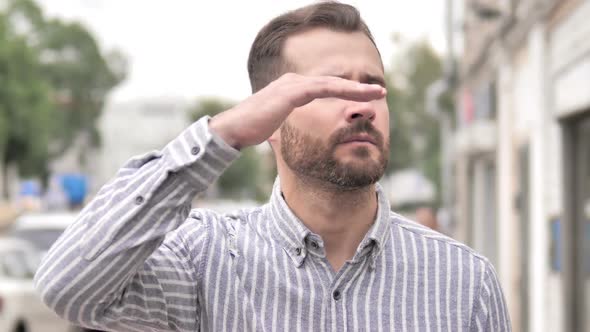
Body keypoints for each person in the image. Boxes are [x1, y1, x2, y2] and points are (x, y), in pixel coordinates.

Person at [34, 2, 511, 331]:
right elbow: (69, 288)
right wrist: (224, 133)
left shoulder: (463, 281)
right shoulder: (205, 262)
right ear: (269, 119)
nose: (360, 106)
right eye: (328, 88)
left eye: (372, 87)